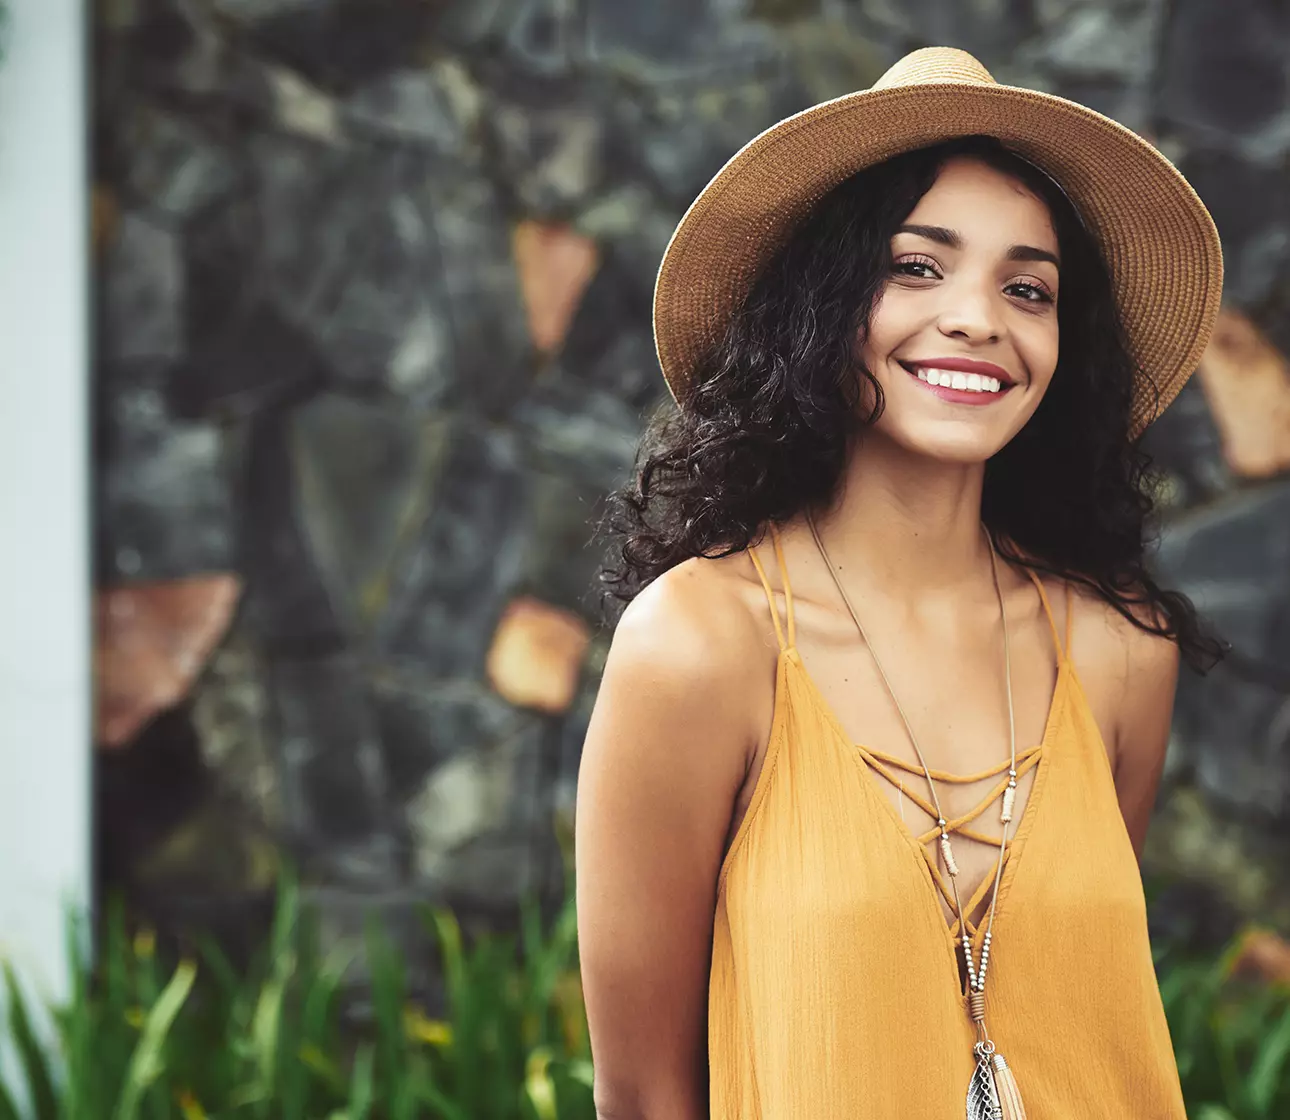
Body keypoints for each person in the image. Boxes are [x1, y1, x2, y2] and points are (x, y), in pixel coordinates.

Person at [575, 46, 1225, 1120]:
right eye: (917, 266)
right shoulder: (699, 643)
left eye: (1028, 287)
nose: (979, 317)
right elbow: (644, 1096)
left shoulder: (1118, 648)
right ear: (819, 308)